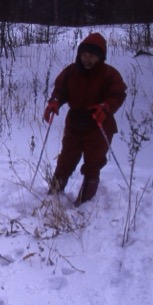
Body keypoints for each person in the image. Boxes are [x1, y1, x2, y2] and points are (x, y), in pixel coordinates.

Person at [43, 32, 127, 206]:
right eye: (84, 55)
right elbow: (60, 90)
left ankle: (85, 202)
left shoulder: (109, 74)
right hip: (75, 121)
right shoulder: (71, 71)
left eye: (92, 56)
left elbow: (117, 94)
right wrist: (55, 102)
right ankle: (54, 193)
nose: (87, 59)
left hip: (98, 123)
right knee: (66, 158)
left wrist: (106, 107)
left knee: (93, 162)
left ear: (100, 57)